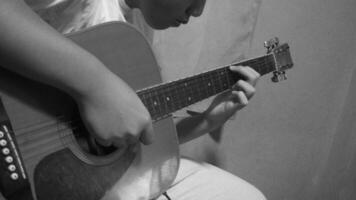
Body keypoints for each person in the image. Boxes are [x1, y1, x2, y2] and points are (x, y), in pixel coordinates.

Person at [0, 0, 266, 199]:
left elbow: (128, 139)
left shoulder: (134, 33)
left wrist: (207, 121)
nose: (197, 11)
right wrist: (95, 84)